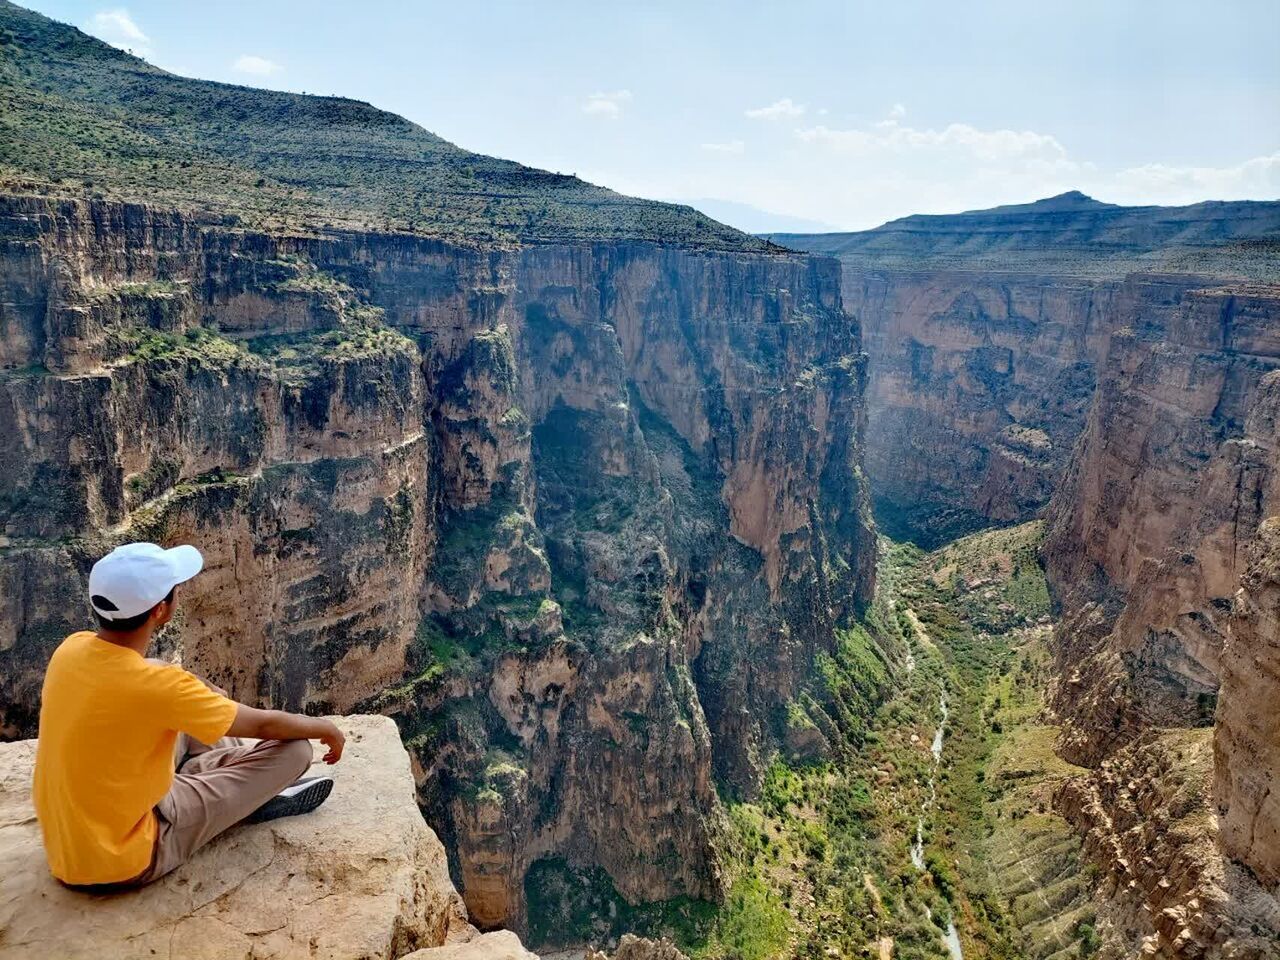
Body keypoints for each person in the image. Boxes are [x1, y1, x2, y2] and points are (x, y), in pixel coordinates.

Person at [31, 541, 346, 891]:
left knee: (195, 706)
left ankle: (226, 785)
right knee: (296, 750)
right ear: (160, 611)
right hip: (130, 854)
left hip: (70, 847)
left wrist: (201, 692)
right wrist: (325, 728)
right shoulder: (160, 688)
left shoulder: (70, 650)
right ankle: (246, 798)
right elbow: (263, 725)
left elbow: (149, 677)